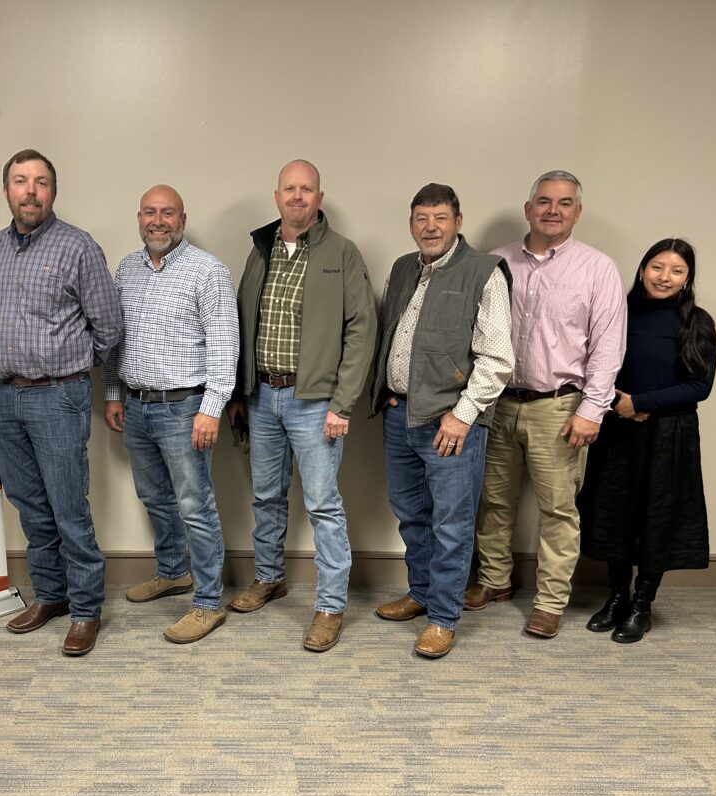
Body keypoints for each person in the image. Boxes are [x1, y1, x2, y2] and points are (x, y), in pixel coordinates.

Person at [465, 170, 627, 639]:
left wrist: (591, 410)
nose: (552, 209)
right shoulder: (495, 263)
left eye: (564, 202)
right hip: (496, 404)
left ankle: (551, 602)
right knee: (493, 502)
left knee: (558, 510)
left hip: (559, 408)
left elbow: (608, 348)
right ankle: (494, 582)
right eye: (543, 201)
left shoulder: (597, 269)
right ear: (528, 208)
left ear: (578, 212)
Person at [226, 159, 377, 652]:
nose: (296, 196)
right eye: (289, 189)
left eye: (305, 189)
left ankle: (330, 606)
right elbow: (245, 322)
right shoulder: (261, 250)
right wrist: (240, 393)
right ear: (277, 197)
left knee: (322, 505)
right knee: (266, 496)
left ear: (319, 197)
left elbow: (362, 331)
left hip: (315, 402)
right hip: (262, 395)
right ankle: (268, 578)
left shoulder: (342, 253)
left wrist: (343, 404)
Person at [0, 149, 122, 657]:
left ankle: (85, 609)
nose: (30, 191)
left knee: (68, 508)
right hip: (4, 397)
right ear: (7, 191)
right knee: (30, 507)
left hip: (58, 396)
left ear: (53, 192)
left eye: (40, 182)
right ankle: (51, 596)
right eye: (20, 181)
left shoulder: (78, 247)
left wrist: (75, 367)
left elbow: (108, 327)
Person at [371, 184, 514, 658]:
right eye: (420, 218)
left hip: (449, 423)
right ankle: (422, 593)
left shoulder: (482, 271)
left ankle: (443, 617)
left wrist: (463, 415)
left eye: (439, 217)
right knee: (412, 515)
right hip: (399, 415)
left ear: (457, 221)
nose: (429, 227)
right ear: (411, 224)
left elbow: (496, 358)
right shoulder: (401, 268)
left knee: (451, 524)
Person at [103, 185, 239, 644]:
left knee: (194, 505)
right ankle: (172, 572)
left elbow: (225, 344)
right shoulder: (126, 268)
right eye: (149, 213)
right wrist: (113, 391)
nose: (157, 221)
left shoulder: (208, 271)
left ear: (183, 219)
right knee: (154, 496)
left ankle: (207, 603)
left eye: (167, 213)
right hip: (137, 405)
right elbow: (116, 338)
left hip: (185, 408)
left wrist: (212, 407)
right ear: (138, 217)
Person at [578, 238, 716, 643]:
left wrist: (641, 403)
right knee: (615, 514)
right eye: (657, 267)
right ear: (642, 269)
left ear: (687, 279)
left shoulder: (697, 322)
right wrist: (617, 406)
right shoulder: (617, 312)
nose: (665, 277)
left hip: (670, 435)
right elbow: (593, 364)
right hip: (617, 429)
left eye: (676, 271)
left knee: (657, 517)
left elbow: (699, 386)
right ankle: (617, 597)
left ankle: (642, 606)